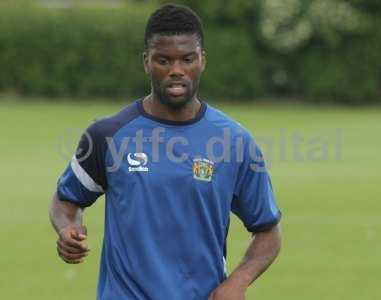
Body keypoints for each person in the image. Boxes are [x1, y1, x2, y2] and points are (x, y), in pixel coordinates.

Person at [49, 4, 282, 300]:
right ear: (147, 62)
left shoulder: (235, 142)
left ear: (202, 61)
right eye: (163, 60)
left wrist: (239, 281)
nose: (176, 71)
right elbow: (66, 200)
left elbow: (268, 232)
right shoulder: (106, 135)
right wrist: (67, 228)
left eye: (187, 59)